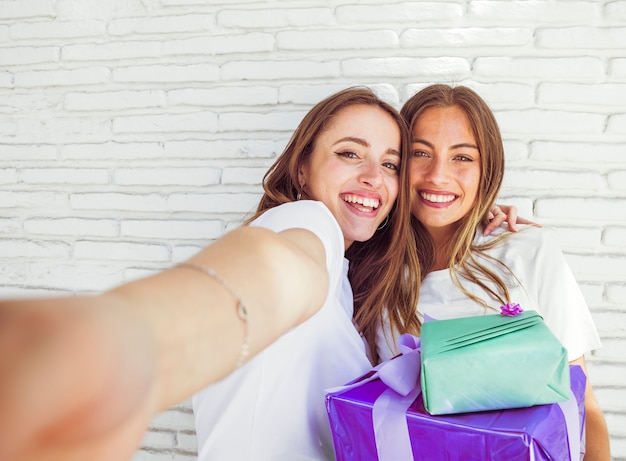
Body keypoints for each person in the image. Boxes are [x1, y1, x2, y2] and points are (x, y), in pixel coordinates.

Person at [0, 86, 517, 461]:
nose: (371, 176)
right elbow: (270, 274)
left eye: (390, 163)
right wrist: (121, 347)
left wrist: (477, 228)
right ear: (301, 169)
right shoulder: (304, 224)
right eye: (349, 153)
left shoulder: (348, 282)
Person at [376, 84, 611, 460]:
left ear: (487, 169)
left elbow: (584, 406)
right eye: (421, 153)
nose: (438, 175)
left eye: (462, 158)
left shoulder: (529, 251)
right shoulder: (374, 270)